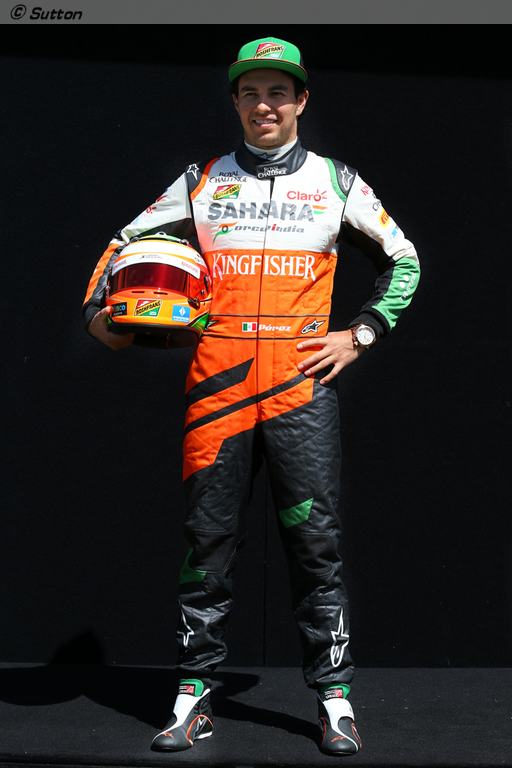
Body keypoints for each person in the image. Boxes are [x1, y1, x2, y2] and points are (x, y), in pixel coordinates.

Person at [83, 36, 420, 757]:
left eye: (277, 92)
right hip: (218, 383)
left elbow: (404, 259)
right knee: (207, 544)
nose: (264, 105)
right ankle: (192, 696)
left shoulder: (336, 181)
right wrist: (97, 315)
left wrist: (361, 332)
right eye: (251, 93)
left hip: (300, 387)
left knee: (316, 546)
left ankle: (334, 700)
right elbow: (120, 244)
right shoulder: (203, 179)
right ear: (235, 101)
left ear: (301, 100)